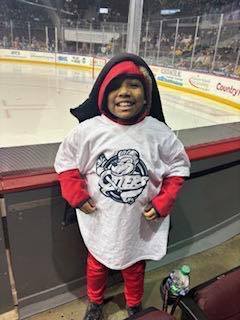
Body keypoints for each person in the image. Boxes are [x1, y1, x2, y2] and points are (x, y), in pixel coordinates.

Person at [54, 53, 190, 320]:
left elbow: (178, 167)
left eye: (134, 85)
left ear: (146, 94)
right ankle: (95, 302)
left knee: (135, 268)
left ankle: (133, 305)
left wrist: (164, 201)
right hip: (101, 219)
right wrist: (76, 195)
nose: (124, 93)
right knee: (96, 264)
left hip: (137, 222)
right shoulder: (88, 131)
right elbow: (66, 162)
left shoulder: (160, 132)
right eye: (115, 86)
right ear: (103, 94)